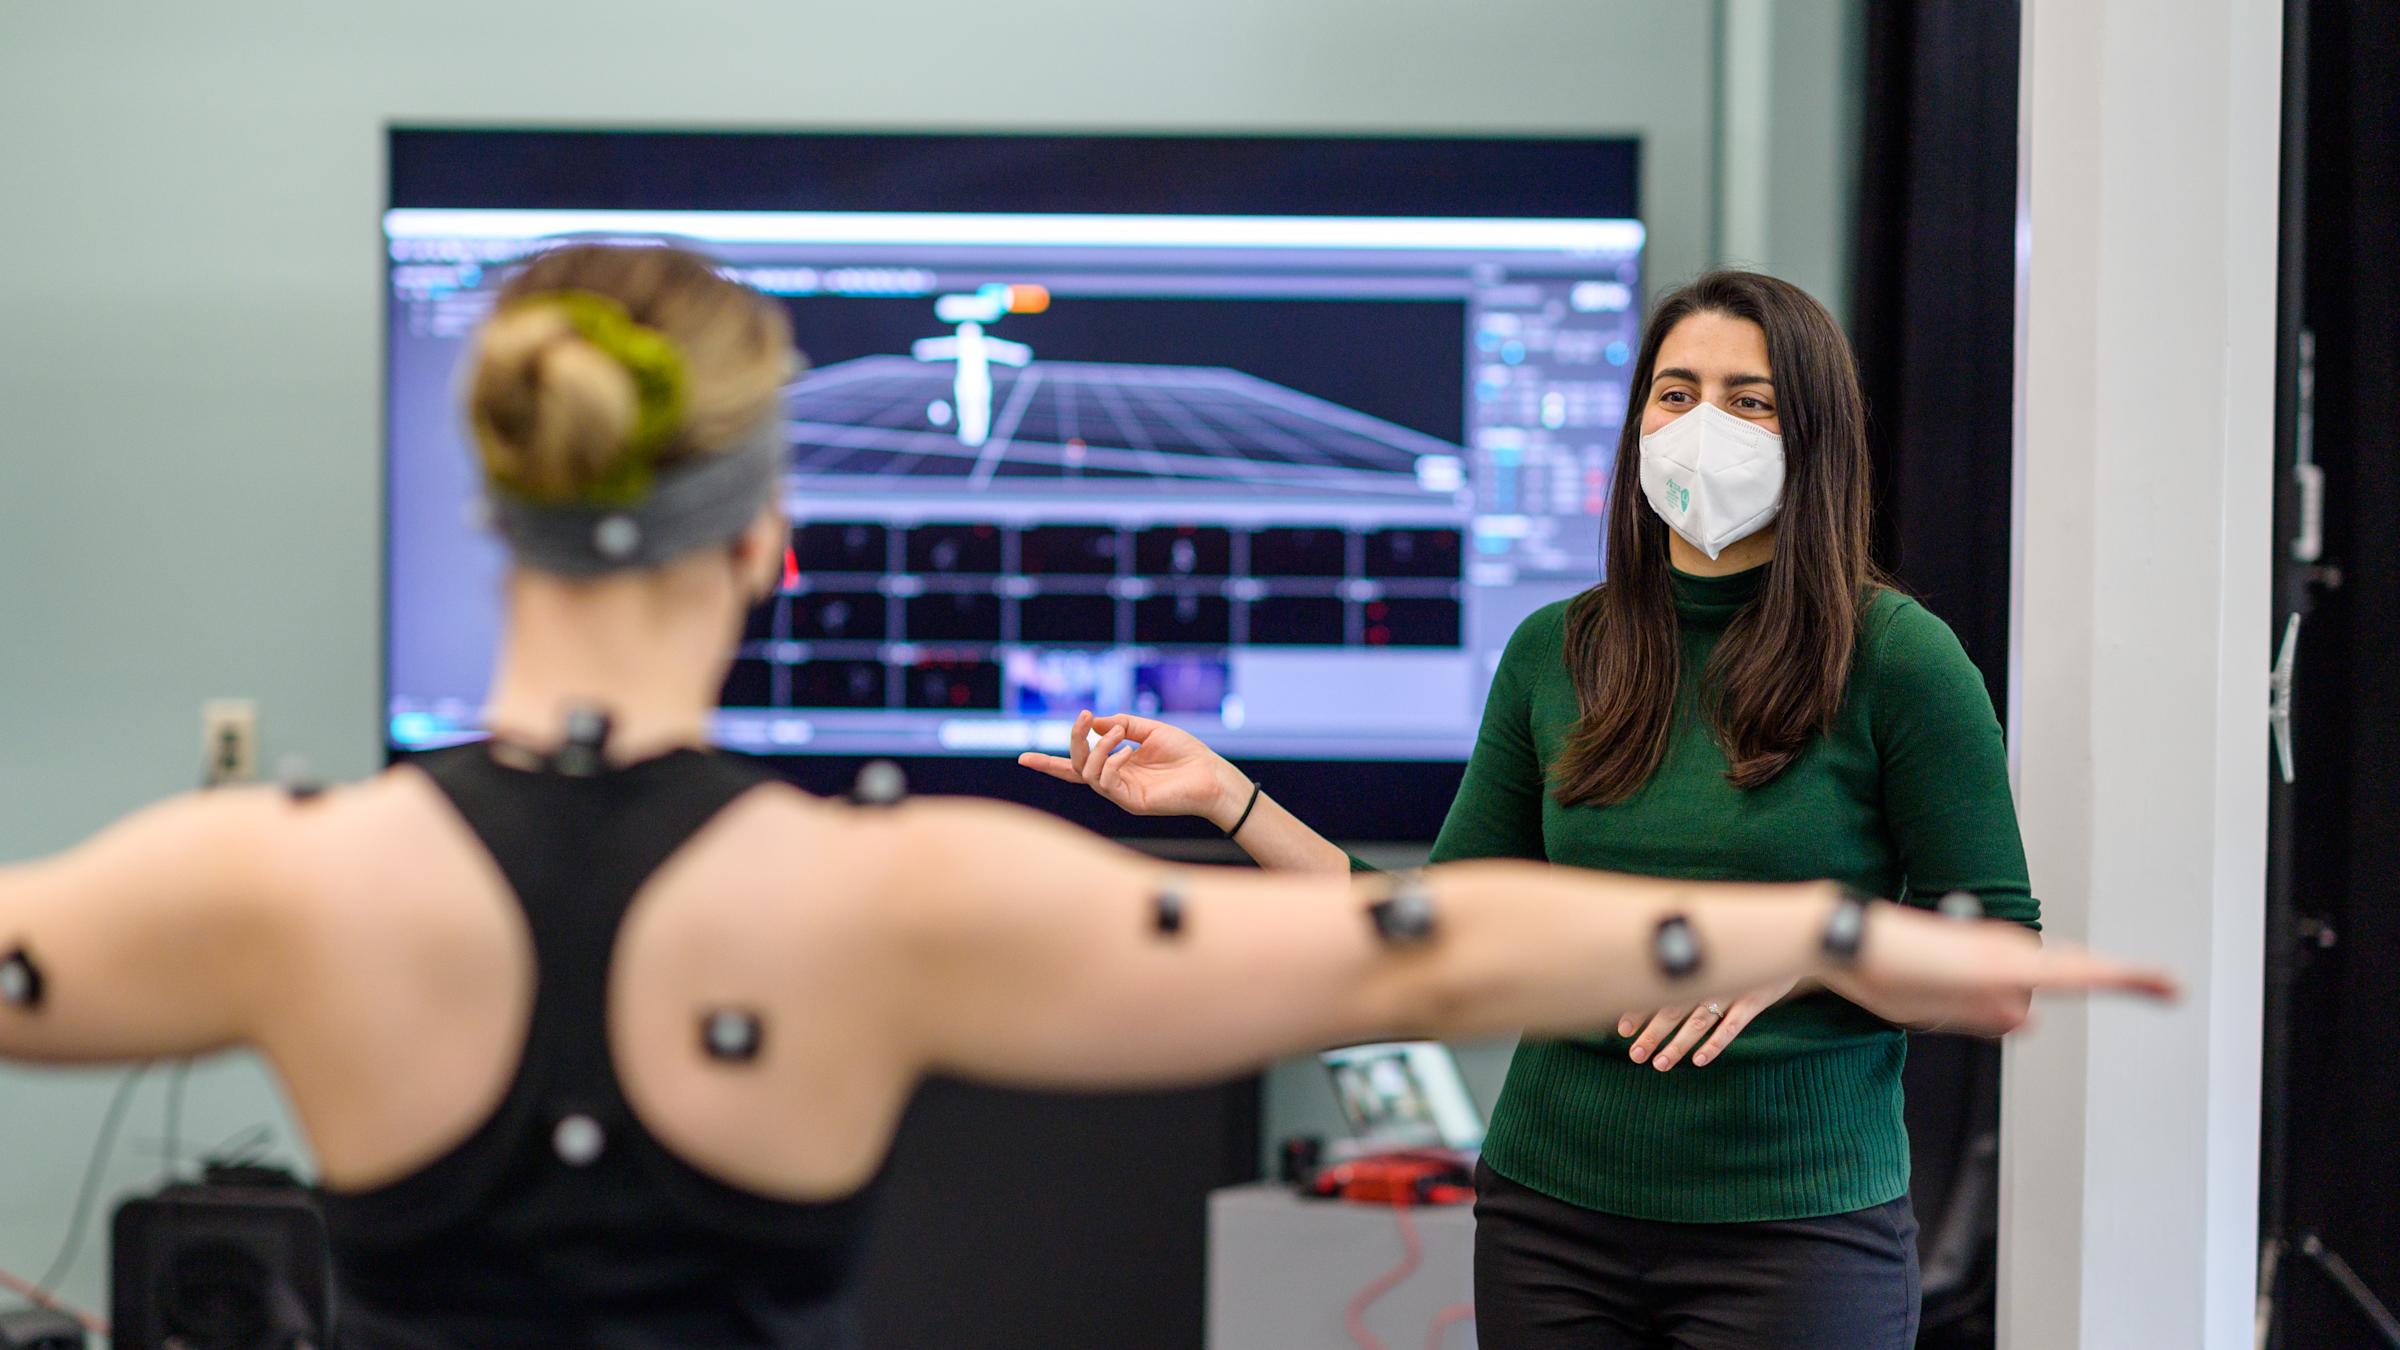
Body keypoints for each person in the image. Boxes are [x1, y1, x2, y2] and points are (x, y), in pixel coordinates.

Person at [0, 247, 2167, 1350]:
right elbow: (1418, 943)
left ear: (496, 514)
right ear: (774, 545)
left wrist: (1823, 957)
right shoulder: (879, 898)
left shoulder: (272, 883)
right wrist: (1823, 927)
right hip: (1571, 1209)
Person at [1023, 269, 2042, 1348]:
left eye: (1750, 402)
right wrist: (1228, 798)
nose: (1704, 426)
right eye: (1676, 393)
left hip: (1798, 1235)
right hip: (1552, 1224)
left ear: (1818, 437)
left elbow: (2001, 972)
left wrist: (1811, 948)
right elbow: (1432, 928)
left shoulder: (1899, 660)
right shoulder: (1557, 650)